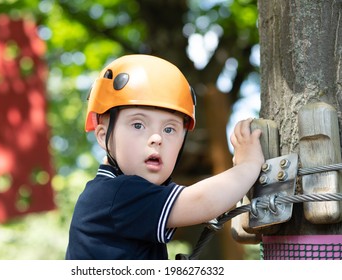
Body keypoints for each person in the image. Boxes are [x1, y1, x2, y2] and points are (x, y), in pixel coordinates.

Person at [65, 54, 264, 260]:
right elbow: (201, 201)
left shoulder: (119, 195)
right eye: (138, 125)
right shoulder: (115, 194)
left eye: (169, 129)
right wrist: (249, 165)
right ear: (104, 135)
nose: (156, 138)